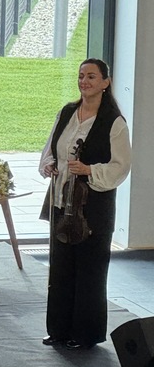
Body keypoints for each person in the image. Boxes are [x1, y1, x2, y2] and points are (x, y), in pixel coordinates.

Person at [39, 58, 131, 349]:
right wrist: (50, 164)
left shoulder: (114, 122)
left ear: (105, 82)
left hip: (93, 208)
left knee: (90, 270)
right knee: (61, 268)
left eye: (91, 76)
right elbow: (51, 148)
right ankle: (59, 330)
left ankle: (85, 334)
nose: (84, 81)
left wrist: (90, 170)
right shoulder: (67, 112)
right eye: (81, 76)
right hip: (62, 202)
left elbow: (120, 167)